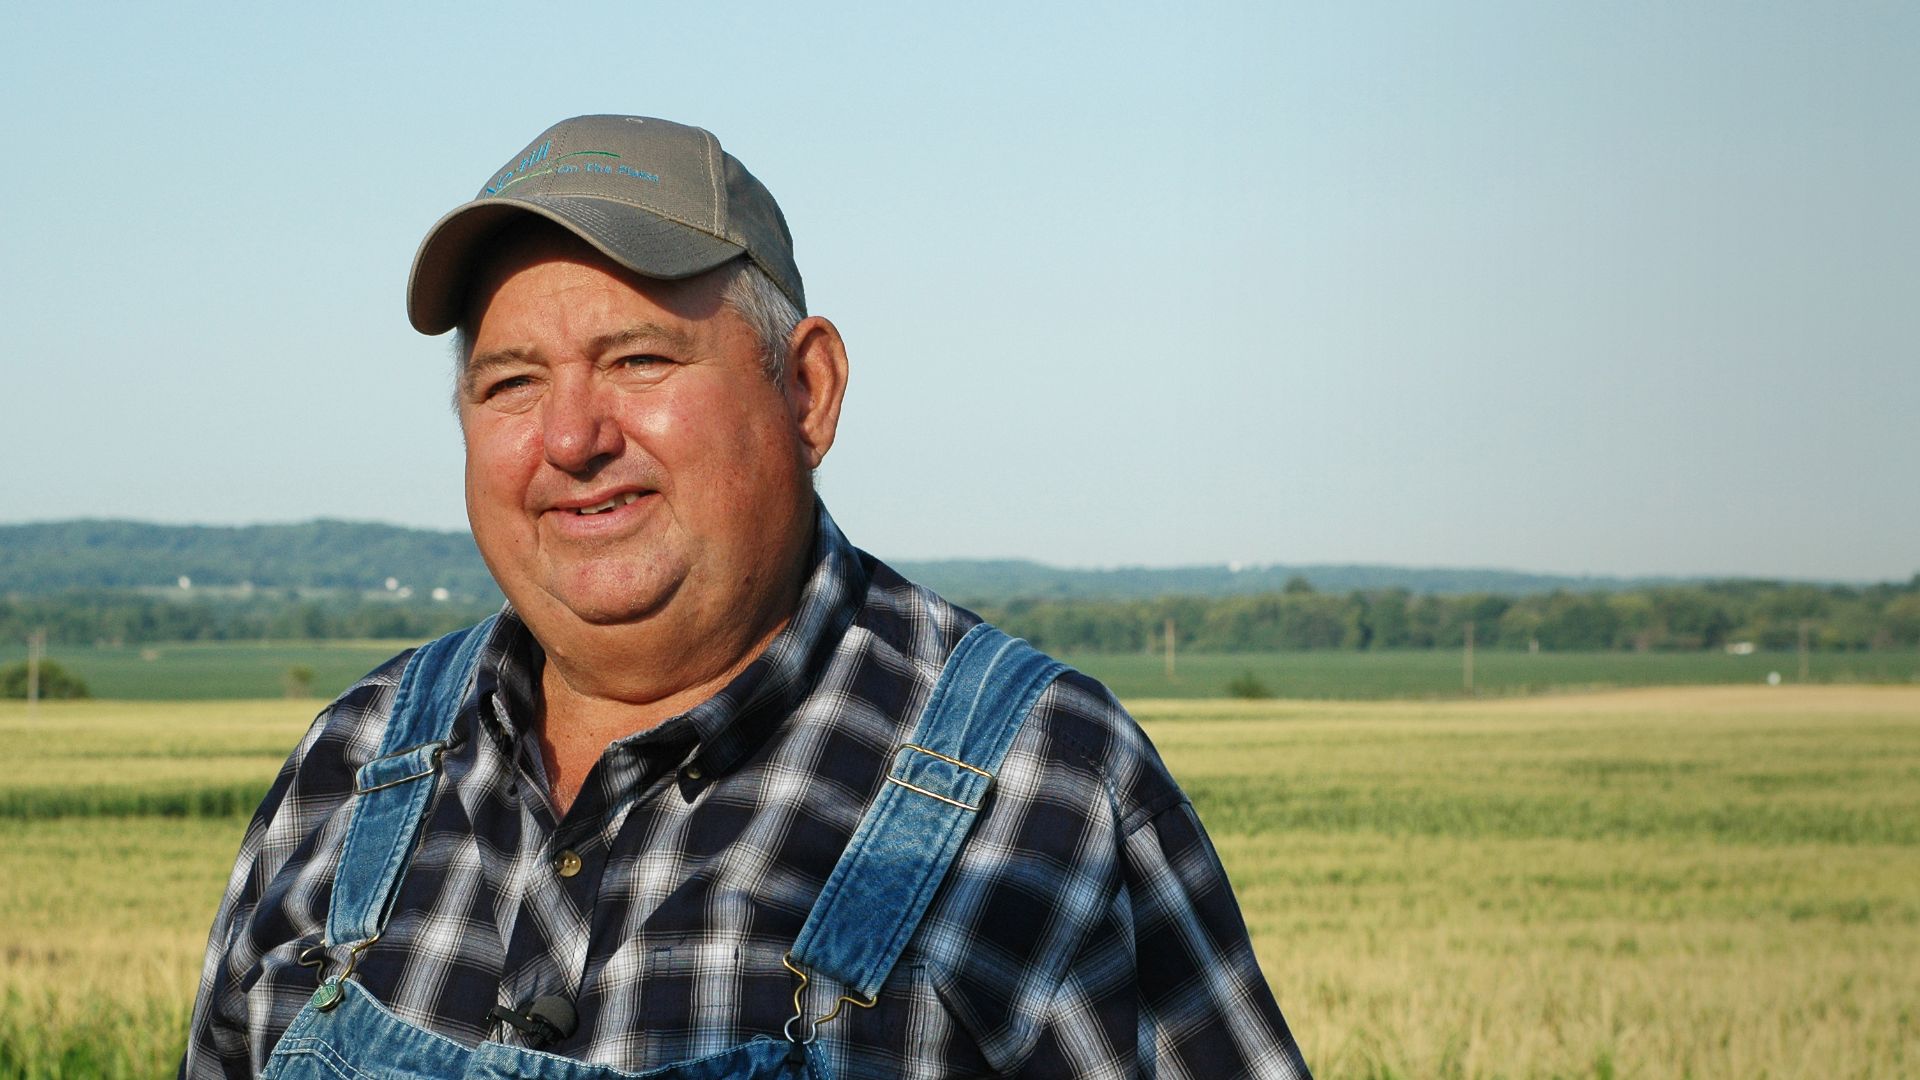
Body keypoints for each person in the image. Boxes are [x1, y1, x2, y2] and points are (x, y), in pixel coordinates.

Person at [180, 114, 1312, 1080]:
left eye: (639, 361)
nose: (572, 438)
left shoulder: (1045, 787)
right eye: (512, 383)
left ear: (808, 392)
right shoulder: (357, 763)